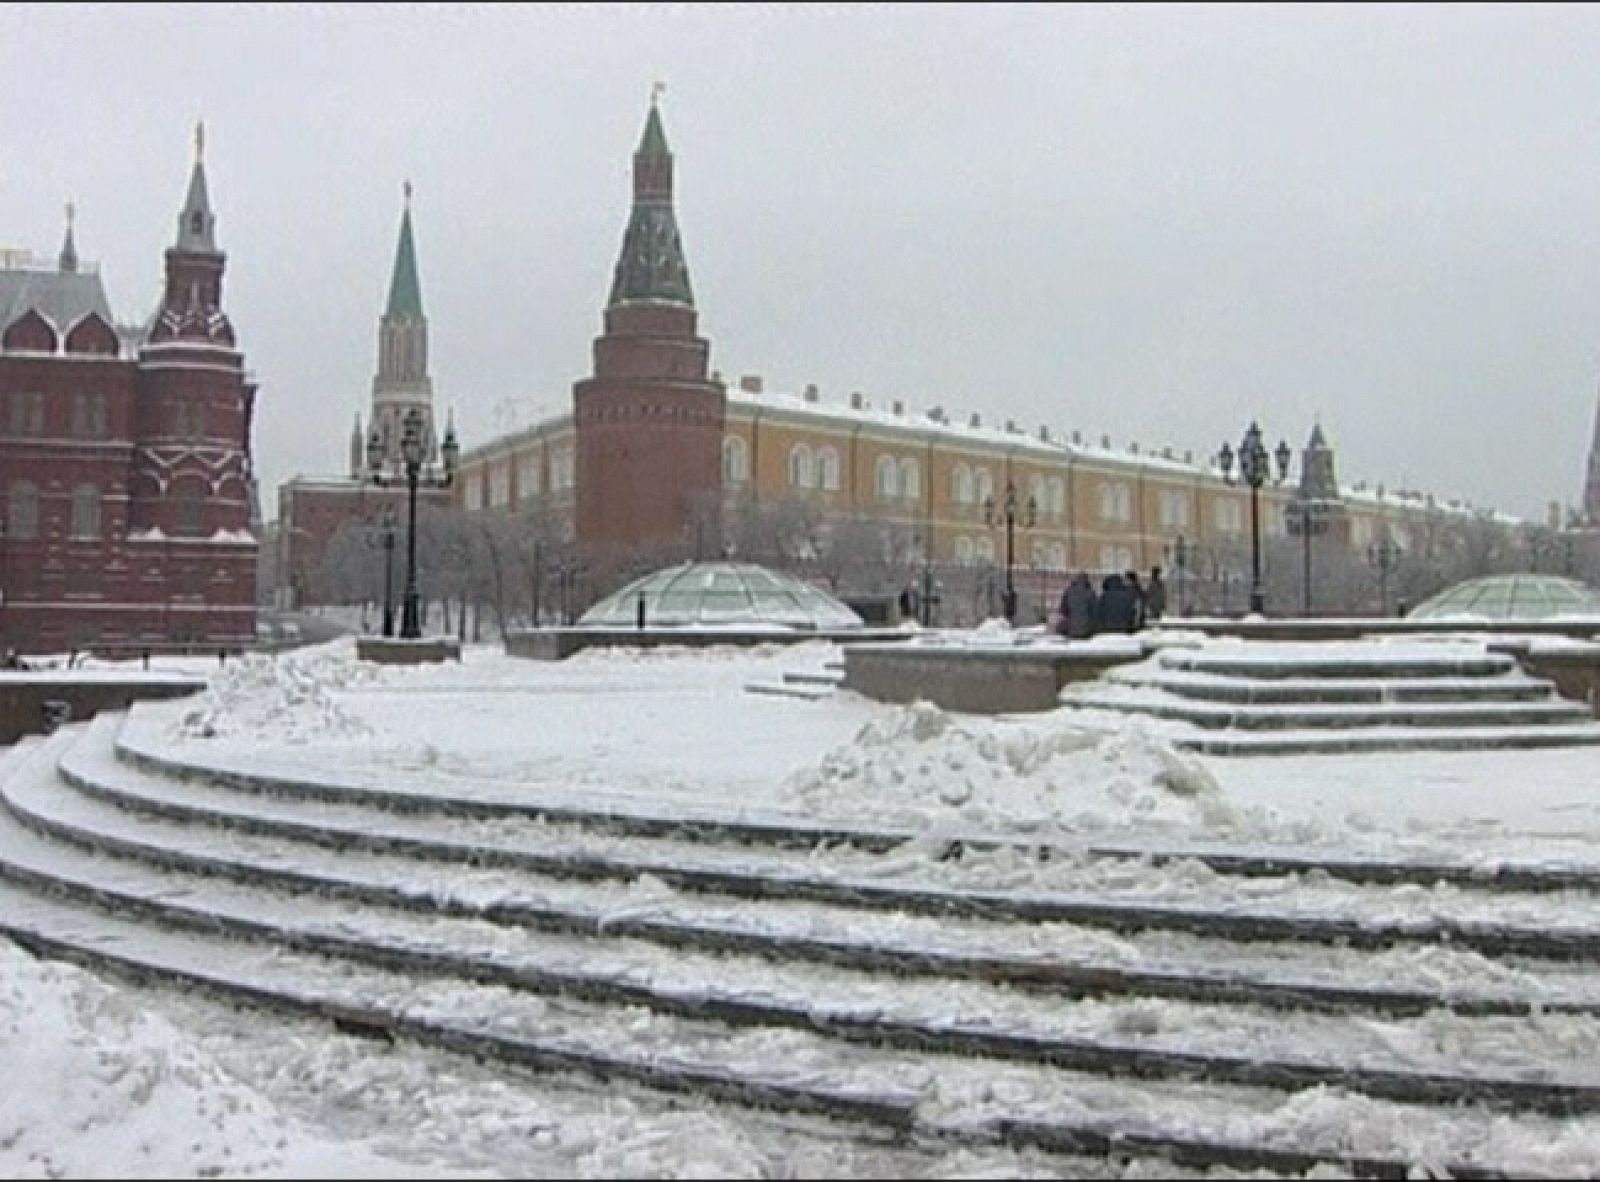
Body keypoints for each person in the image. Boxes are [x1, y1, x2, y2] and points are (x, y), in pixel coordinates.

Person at [1060, 571, 1097, 639]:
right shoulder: (1090, 592)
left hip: (1071, 628)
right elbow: (1095, 612)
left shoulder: (1068, 591)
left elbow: (1063, 610)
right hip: (1086, 630)